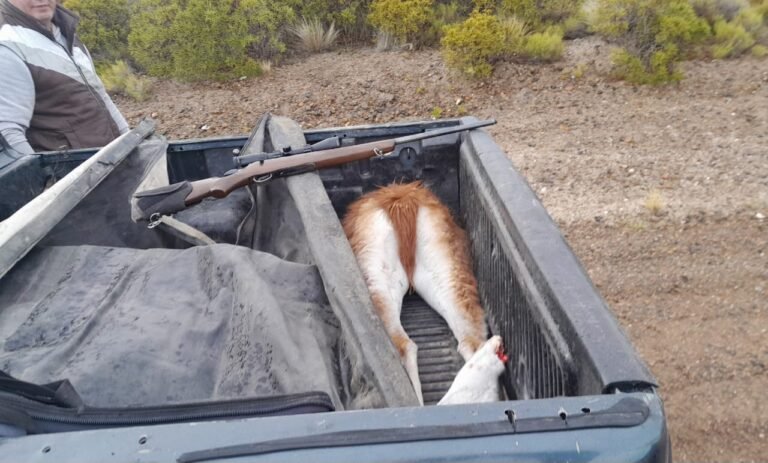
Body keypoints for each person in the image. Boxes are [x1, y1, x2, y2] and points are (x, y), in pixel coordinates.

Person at [0, 0, 128, 154]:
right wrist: (43, 176)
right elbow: (8, 132)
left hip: (109, 162)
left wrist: (130, 141)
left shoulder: (68, 35)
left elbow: (102, 97)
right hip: (71, 172)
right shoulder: (7, 48)